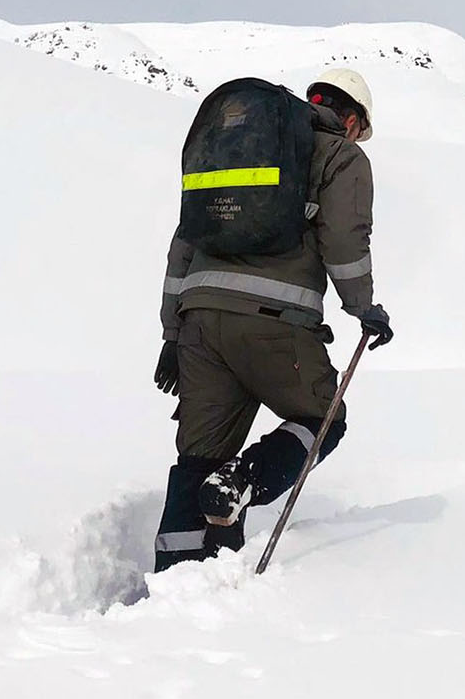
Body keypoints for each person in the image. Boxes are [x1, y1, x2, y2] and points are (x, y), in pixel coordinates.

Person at [150, 68, 394, 571]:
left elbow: (183, 244)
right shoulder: (340, 155)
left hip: (198, 321)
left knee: (199, 458)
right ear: (350, 119)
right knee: (323, 418)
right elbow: (345, 241)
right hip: (273, 323)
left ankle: (173, 585)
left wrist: (173, 334)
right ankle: (241, 483)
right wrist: (364, 308)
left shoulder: (238, 149)